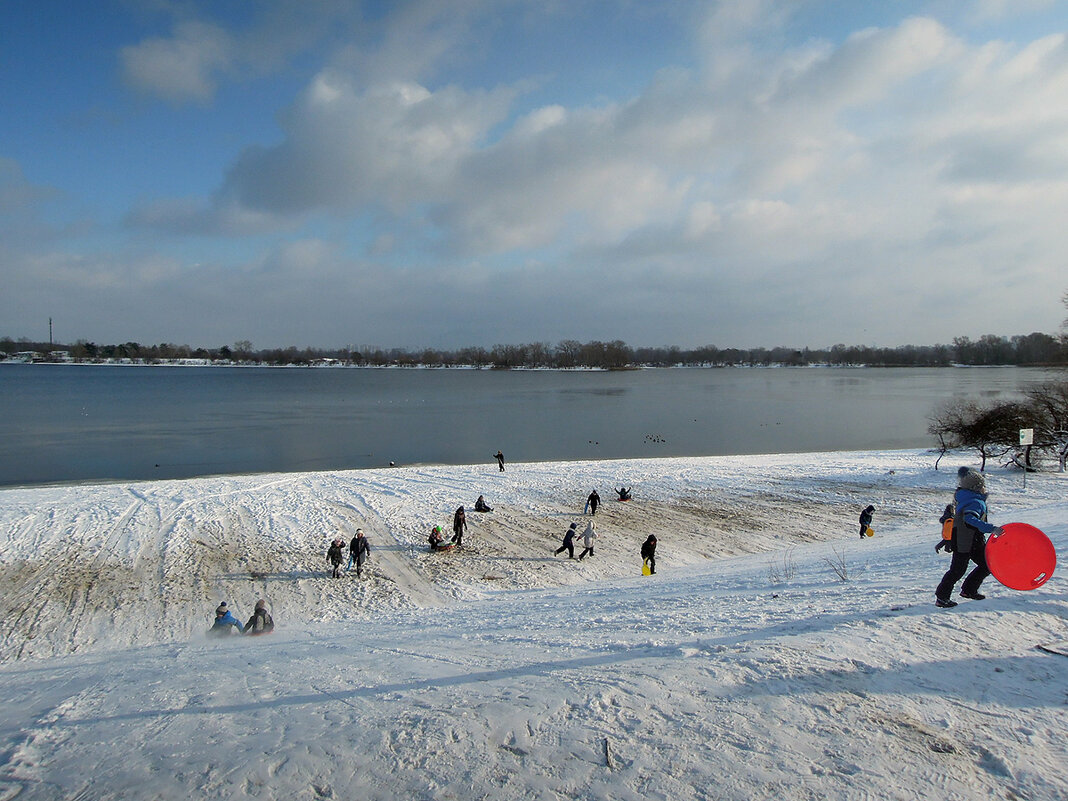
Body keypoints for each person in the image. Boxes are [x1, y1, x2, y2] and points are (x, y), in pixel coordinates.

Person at [935, 468, 1002, 608]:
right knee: (957, 570)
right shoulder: (975, 501)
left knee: (987, 564)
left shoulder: (967, 497)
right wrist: (991, 528)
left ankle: (969, 590)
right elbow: (970, 519)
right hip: (966, 541)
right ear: (976, 488)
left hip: (971, 540)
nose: (985, 488)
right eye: (982, 486)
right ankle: (942, 597)